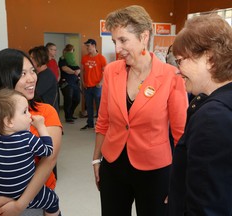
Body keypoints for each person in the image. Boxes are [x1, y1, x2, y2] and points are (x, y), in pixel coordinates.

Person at [92, 5, 188, 216]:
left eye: (123, 40)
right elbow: (103, 121)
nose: (117, 48)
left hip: (155, 171)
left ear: (144, 37)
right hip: (113, 165)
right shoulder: (111, 71)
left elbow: (180, 135)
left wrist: (179, 181)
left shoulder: (171, 77)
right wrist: (96, 158)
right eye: (114, 41)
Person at [0, 48, 62, 216]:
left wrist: (19, 205)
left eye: (32, 71)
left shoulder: (45, 113)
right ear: (4, 79)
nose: (31, 78)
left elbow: (48, 161)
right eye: (22, 74)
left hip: (34, 198)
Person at [168, 13, 232, 215]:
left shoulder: (212, 117)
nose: (178, 71)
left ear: (210, 59)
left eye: (180, 61)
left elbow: (206, 206)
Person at [80, 38, 107, 130]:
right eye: (86, 46)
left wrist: (101, 82)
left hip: (97, 86)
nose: (87, 48)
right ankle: (90, 123)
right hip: (87, 86)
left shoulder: (101, 58)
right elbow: (82, 71)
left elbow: (105, 72)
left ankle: (99, 124)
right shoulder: (85, 58)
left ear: (94, 46)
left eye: (88, 46)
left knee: (99, 107)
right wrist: (83, 82)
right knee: (89, 105)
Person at [29, 46, 59, 113]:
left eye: (32, 58)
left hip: (47, 114)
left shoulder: (47, 76)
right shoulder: (38, 74)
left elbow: (34, 95)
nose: (30, 60)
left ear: (40, 59)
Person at [59, 45, 81, 123]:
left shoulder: (73, 60)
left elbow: (78, 68)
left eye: (73, 50)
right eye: (71, 50)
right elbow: (64, 68)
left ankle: (71, 113)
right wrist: (74, 72)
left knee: (77, 99)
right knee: (68, 99)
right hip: (66, 83)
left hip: (75, 82)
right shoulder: (62, 59)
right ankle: (68, 117)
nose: (72, 52)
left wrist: (78, 72)